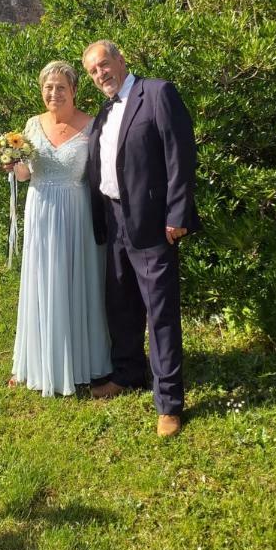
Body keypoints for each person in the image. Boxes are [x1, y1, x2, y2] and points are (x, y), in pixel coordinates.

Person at [82, 40, 199, 437]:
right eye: (93, 71)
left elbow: (179, 155)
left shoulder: (158, 93)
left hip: (152, 221)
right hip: (114, 219)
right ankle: (128, 372)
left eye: (104, 65)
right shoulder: (103, 110)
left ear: (121, 60)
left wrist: (177, 214)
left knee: (160, 313)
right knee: (121, 304)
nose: (100, 74)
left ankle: (168, 402)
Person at [9, 60, 112, 396]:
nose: (54, 93)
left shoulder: (92, 125)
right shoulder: (31, 125)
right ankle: (38, 363)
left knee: (77, 282)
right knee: (43, 281)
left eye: (61, 88)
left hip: (77, 213)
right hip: (40, 210)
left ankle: (82, 363)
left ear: (74, 90)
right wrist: (13, 164)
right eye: (48, 88)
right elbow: (26, 174)